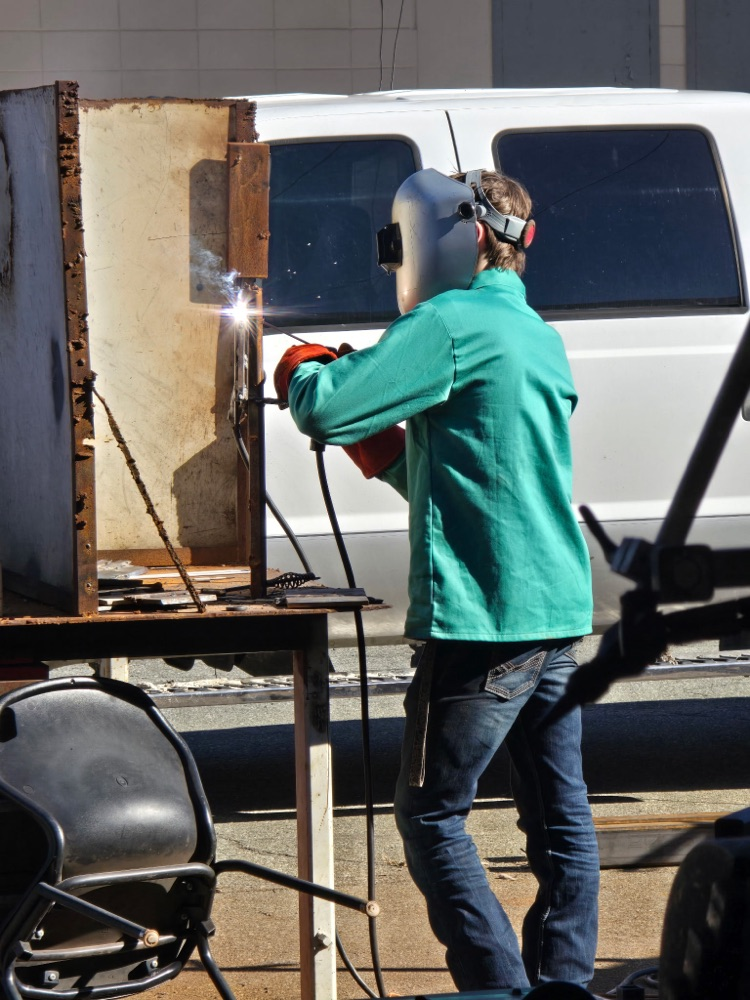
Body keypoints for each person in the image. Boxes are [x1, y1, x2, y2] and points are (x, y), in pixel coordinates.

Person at [273, 168, 600, 992]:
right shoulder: (535, 332)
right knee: (559, 821)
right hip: (556, 613)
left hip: (485, 621)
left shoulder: (450, 321)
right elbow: (478, 470)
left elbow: (324, 406)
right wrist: (391, 454)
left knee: (430, 817)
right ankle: (561, 986)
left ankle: (497, 988)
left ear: (468, 234)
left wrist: (301, 368)